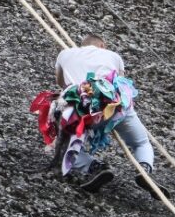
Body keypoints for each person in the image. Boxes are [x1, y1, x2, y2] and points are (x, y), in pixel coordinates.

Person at [32, 35, 157, 195]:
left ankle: (95, 167)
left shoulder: (64, 54)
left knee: (65, 146)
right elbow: (120, 83)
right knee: (141, 142)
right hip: (113, 107)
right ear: (102, 45)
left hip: (80, 109)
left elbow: (61, 82)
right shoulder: (114, 56)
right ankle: (145, 168)